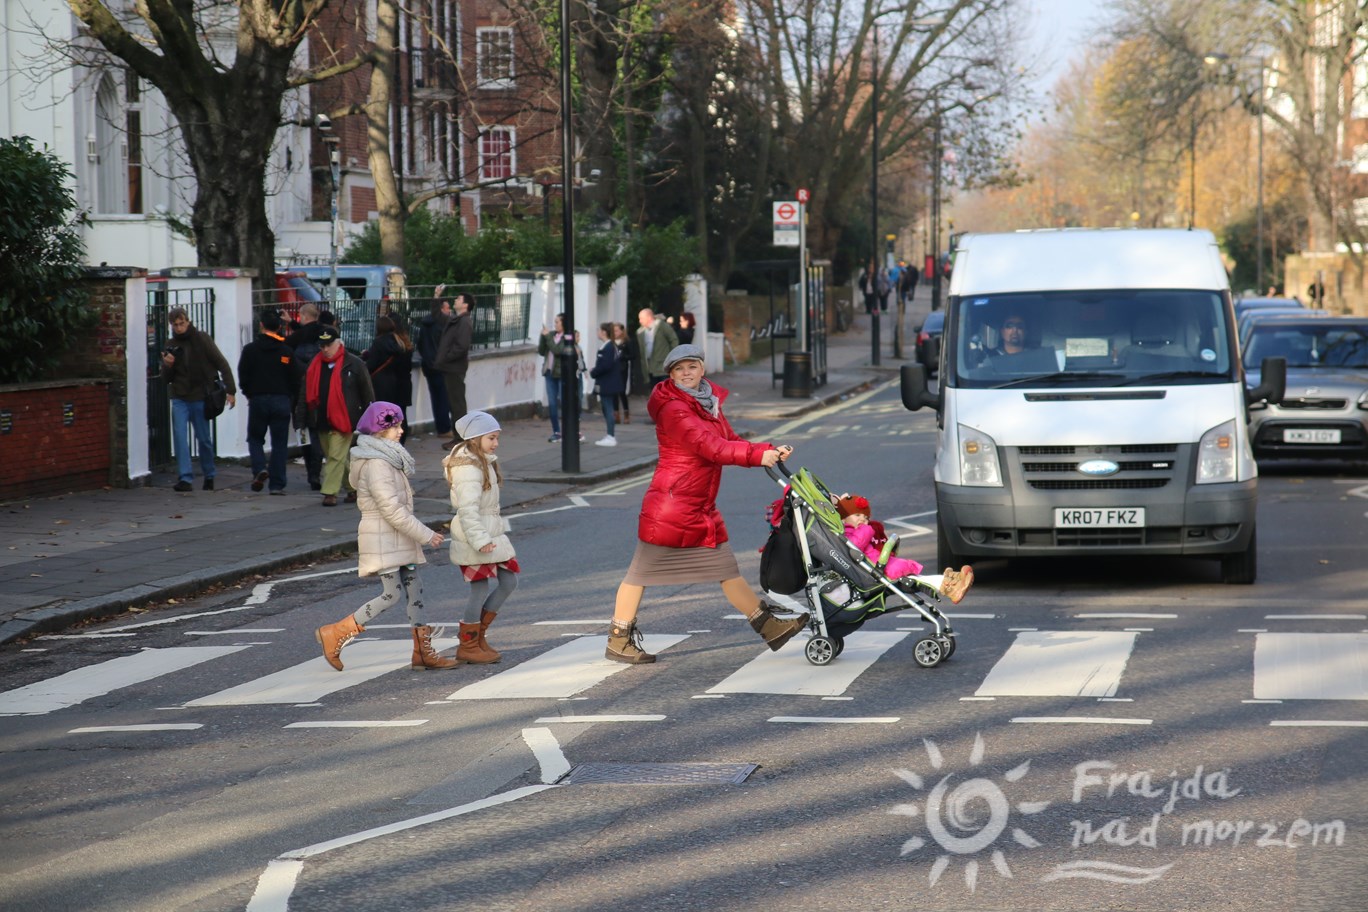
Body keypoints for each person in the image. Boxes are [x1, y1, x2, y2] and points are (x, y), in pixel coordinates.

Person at [606, 343, 806, 664]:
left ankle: (769, 627)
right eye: (678, 369)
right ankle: (619, 638)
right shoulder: (674, 408)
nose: (686, 374)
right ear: (671, 375)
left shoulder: (707, 402)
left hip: (698, 505)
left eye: (691, 366)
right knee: (640, 573)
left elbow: (729, 440)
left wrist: (768, 449)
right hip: (672, 507)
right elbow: (708, 446)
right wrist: (757, 457)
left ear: (703, 368)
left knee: (726, 567)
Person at [313, 401, 451, 672]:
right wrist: (425, 534)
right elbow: (391, 510)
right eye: (394, 426)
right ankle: (337, 632)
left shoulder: (389, 458)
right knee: (392, 594)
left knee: (415, 589)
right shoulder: (378, 464)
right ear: (378, 431)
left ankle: (422, 652)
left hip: (398, 539)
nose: (401, 430)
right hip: (383, 538)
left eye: (400, 424)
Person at [443, 410, 519, 665]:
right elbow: (467, 510)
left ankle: (479, 637)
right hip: (475, 536)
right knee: (479, 589)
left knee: (508, 582)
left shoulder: (483, 461)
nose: (496, 443)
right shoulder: (468, 468)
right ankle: (468, 645)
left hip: (491, 532)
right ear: (475, 439)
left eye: (497, 437)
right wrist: (479, 539)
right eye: (492, 438)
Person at [835, 494, 974, 603]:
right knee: (914, 580)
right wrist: (866, 528)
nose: (863, 520)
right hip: (875, 570)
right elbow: (856, 544)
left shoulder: (858, 529)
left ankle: (952, 581)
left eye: (866, 517)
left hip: (879, 566)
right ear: (843, 519)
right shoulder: (848, 533)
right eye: (857, 515)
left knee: (915, 579)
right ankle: (949, 585)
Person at [296, 325, 374, 507]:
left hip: (344, 418)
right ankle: (353, 489)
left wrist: (368, 418)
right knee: (337, 456)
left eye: (328, 345)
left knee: (335, 457)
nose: (325, 349)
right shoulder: (314, 365)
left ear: (338, 343)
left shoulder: (354, 363)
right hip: (321, 419)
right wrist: (301, 419)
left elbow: (367, 392)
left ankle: (330, 492)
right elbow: (304, 393)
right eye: (322, 346)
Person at [160, 307, 236, 492]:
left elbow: (221, 363)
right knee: (179, 435)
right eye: (175, 325)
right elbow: (165, 379)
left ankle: (209, 474)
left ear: (188, 321)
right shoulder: (170, 344)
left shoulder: (202, 339)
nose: (179, 328)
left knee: (203, 439)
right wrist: (167, 365)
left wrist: (231, 390)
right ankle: (185, 477)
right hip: (180, 396)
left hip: (200, 396)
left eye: (182, 323)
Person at [236, 310, 294, 495]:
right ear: (279, 327)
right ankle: (277, 485)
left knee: (255, 438)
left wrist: (248, 393)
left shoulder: (250, 350)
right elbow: (296, 376)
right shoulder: (286, 351)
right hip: (281, 400)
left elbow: (243, 374)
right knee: (279, 443)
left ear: (261, 325)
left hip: (258, 399)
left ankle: (259, 468)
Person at [284, 302, 325, 491]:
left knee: (304, 435)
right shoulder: (325, 335)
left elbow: (286, 349)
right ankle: (316, 472)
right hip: (320, 395)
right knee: (318, 434)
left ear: (304, 316)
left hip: (299, 397)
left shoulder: (296, 340)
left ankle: (311, 471)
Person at [365, 314, 414, 443]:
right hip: (401, 384)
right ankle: (399, 442)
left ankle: (385, 440)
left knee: (383, 415)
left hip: (383, 384)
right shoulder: (402, 344)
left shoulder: (379, 342)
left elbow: (371, 364)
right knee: (400, 416)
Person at [538, 313, 584, 443]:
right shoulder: (551, 335)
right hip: (549, 373)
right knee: (552, 403)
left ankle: (570, 430)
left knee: (565, 402)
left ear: (564, 323)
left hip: (562, 374)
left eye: (557, 322)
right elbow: (542, 351)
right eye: (554, 322)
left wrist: (547, 337)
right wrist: (543, 337)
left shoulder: (568, 337)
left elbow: (558, 350)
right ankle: (556, 431)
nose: (555, 324)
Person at [417, 288, 453, 441]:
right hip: (441, 365)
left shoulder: (425, 324)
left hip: (428, 364)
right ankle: (444, 428)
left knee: (435, 397)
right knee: (444, 398)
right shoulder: (442, 325)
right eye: (447, 308)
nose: (449, 310)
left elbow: (419, 344)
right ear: (441, 309)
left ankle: (441, 426)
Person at [435, 291, 473, 440]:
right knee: (454, 402)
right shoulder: (456, 320)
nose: (455, 300)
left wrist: (445, 358)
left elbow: (461, 347)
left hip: (454, 368)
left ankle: (461, 438)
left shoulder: (464, 322)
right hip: (451, 367)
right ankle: (459, 436)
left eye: (458, 298)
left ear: (465, 305)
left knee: (457, 404)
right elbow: (438, 317)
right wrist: (436, 297)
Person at [589, 322, 624, 447]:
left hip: (607, 382)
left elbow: (606, 366)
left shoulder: (608, 347)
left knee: (608, 408)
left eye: (599, 330)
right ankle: (609, 434)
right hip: (609, 382)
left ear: (604, 332)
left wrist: (594, 371)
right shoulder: (609, 346)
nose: (597, 332)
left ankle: (611, 436)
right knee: (607, 408)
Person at [636, 307, 679, 390]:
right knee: (654, 392)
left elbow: (674, 340)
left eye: (641, 318)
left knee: (665, 390)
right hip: (649, 366)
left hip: (663, 366)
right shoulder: (640, 332)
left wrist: (671, 356)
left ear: (649, 317)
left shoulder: (662, 326)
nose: (640, 321)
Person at [612, 322, 635, 425]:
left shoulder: (626, 342)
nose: (615, 333)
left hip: (622, 369)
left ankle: (626, 413)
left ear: (622, 331)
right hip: (613, 369)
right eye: (613, 331)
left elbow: (632, 355)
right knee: (614, 392)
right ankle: (616, 414)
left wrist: (623, 357)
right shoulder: (611, 342)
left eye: (616, 330)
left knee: (621, 391)